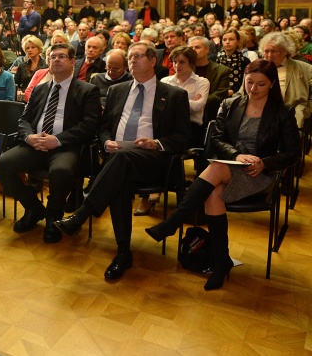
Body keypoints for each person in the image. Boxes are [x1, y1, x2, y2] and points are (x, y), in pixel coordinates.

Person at [145, 60, 300, 289]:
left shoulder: (282, 112)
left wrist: (265, 164)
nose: (253, 89)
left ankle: (174, 222)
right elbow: (216, 140)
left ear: (272, 84)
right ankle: (221, 262)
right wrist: (236, 155)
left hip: (260, 174)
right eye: (249, 82)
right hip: (230, 165)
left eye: (261, 84)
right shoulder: (231, 104)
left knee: (215, 171)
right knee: (213, 192)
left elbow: (293, 153)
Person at [54, 41, 191, 280]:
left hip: (154, 161)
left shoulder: (174, 94)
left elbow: (183, 138)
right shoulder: (118, 90)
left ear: (153, 61)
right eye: (130, 57)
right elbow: (104, 128)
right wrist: (106, 142)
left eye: (138, 56)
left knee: (120, 161)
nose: (132, 61)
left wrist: (156, 143)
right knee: (120, 176)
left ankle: (82, 214)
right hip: (118, 161)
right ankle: (123, 252)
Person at [0, 43, 101, 242]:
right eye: (53, 57)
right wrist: (29, 137)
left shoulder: (88, 90)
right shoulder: (40, 89)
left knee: (61, 172)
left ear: (72, 62)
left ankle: (54, 216)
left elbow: (89, 126)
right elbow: (24, 119)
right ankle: (33, 208)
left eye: (62, 56)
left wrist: (57, 140)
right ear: (48, 62)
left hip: (65, 147)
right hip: (35, 144)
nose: (57, 60)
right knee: (0, 164)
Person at [135, 46, 209, 215]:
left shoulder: (202, 82)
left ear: (191, 63)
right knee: (149, 142)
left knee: (167, 144)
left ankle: (160, 189)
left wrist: (176, 103)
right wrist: (188, 101)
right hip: (166, 126)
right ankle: (148, 194)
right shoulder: (166, 82)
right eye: (174, 62)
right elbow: (156, 107)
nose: (177, 65)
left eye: (182, 62)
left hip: (192, 129)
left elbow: (199, 106)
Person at [258, 31, 312, 128]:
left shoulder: (305, 69)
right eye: (266, 51)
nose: (269, 55)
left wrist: (306, 110)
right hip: (260, 115)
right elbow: (242, 92)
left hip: (293, 116)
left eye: (274, 51)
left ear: (284, 51)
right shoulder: (256, 68)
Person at [216, 29, 251, 96]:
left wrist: (234, 91)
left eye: (231, 39)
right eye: (224, 40)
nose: (227, 42)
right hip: (217, 93)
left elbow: (245, 81)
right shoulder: (215, 58)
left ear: (238, 42)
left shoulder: (244, 60)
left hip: (237, 94)